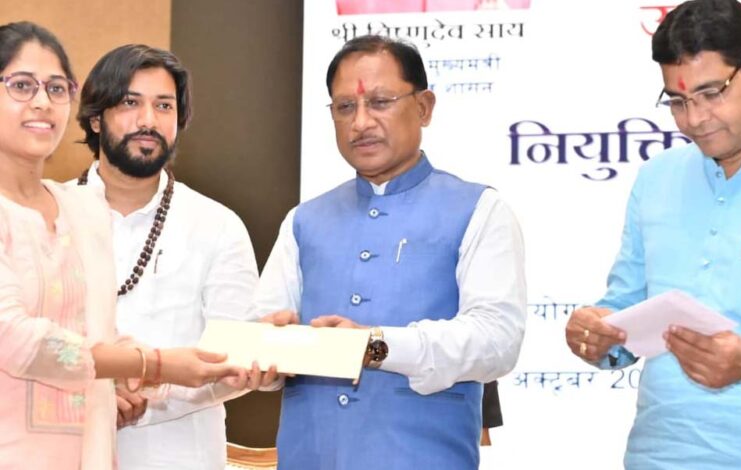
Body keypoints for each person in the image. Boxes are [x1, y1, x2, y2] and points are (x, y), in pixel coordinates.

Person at [257, 35, 526, 469]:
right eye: (345, 107)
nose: (360, 122)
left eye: (380, 102)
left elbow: (497, 341)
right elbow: (263, 338)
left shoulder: (480, 209)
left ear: (424, 107)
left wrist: (377, 345)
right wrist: (266, 350)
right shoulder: (303, 221)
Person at [0, 21, 247, 470]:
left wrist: (136, 381)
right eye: (21, 85)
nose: (41, 102)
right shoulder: (73, 205)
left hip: (145, 455)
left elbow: (99, 335)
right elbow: (15, 337)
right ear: (95, 117)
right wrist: (148, 366)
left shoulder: (78, 210)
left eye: (56, 88)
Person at [564, 1, 741, 468]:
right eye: (678, 102)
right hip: (655, 455)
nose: (694, 119)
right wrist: (598, 334)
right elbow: (624, 311)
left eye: (711, 93)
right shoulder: (656, 179)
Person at [75, 44, 277, 470]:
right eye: (130, 103)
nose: (148, 120)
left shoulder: (217, 225)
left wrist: (149, 389)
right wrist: (93, 395)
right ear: (96, 118)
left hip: (178, 456)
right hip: (60, 450)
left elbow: (234, 360)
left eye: (164, 105)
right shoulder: (48, 216)